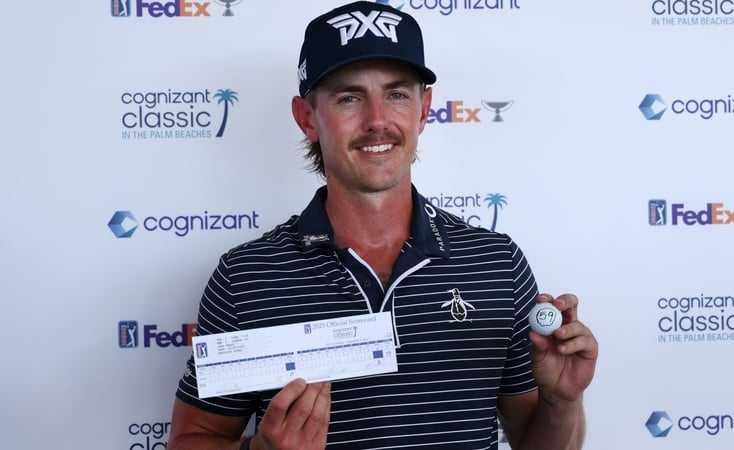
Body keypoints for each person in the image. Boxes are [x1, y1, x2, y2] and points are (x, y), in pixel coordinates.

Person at [167, 2, 599, 449]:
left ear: (424, 109)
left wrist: (562, 401)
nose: (377, 120)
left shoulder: (496, 264)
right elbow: (191, 439)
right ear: (307, 118)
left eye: (396, 94)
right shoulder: (247, 276)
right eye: (349, 97)